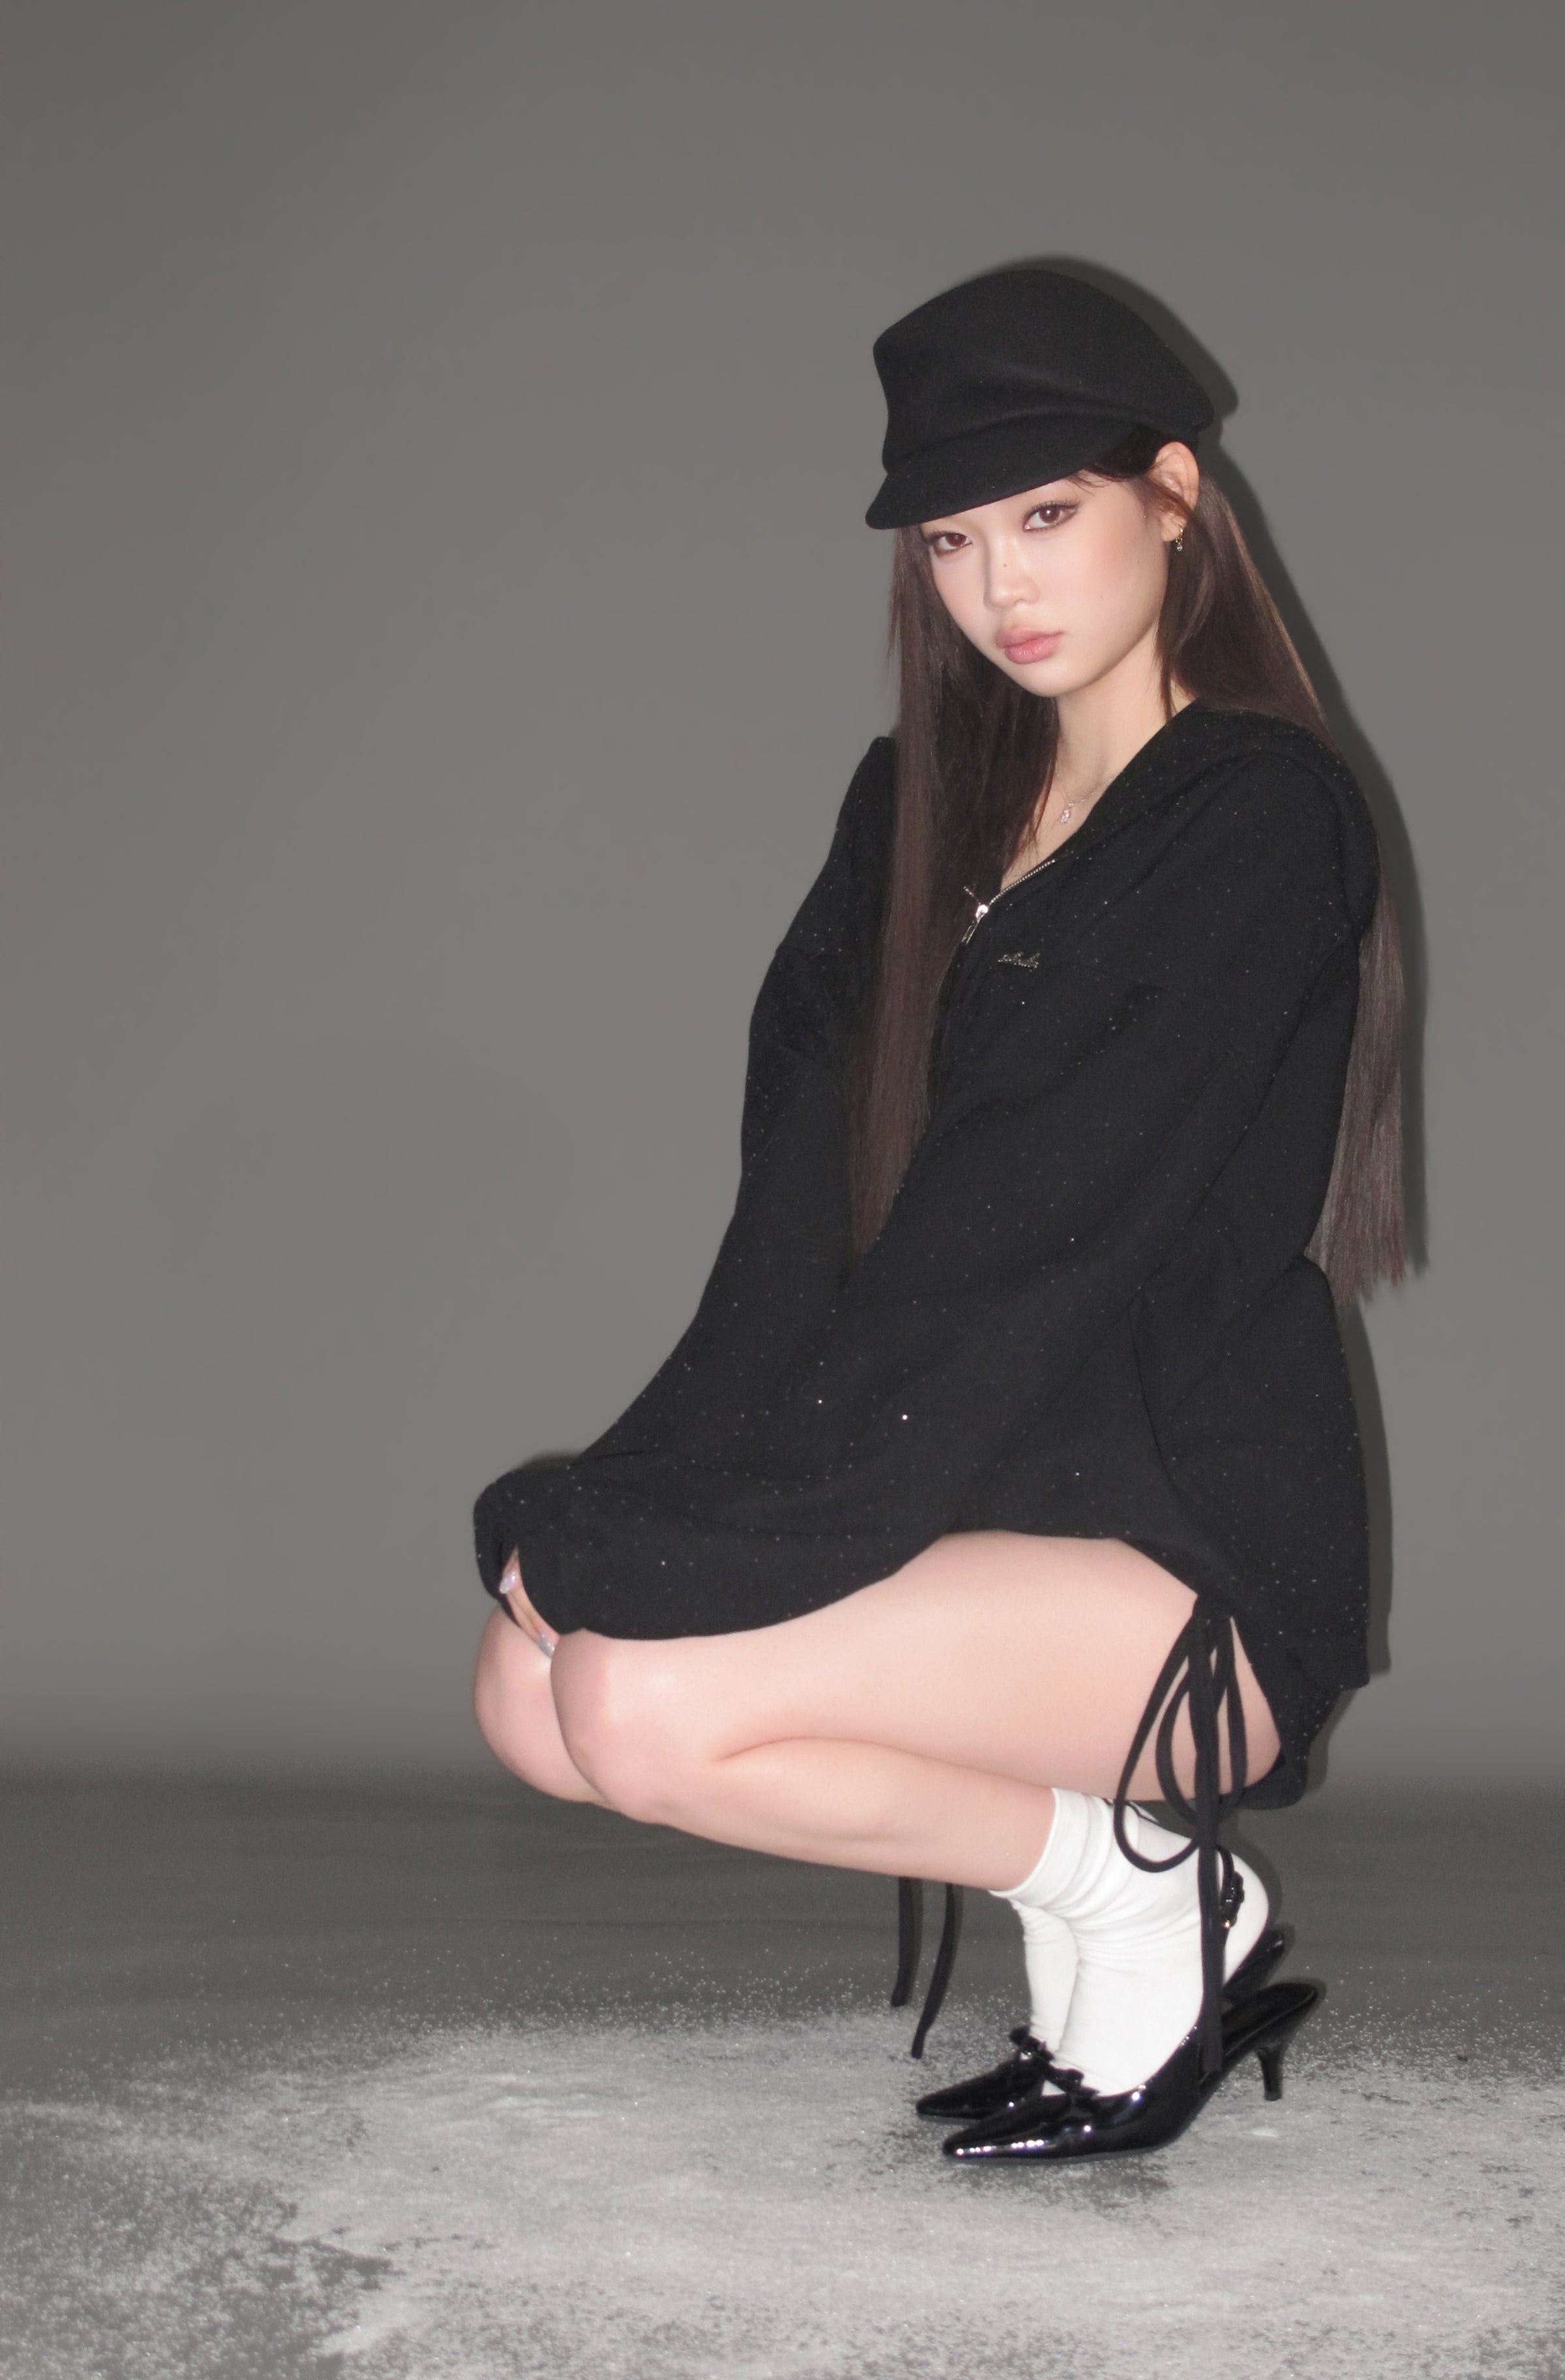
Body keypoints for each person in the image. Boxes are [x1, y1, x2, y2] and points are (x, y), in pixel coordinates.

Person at [469, 264, 1405, 2163]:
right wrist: (643, 1495)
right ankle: (1113, 1897)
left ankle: (1144, 1895)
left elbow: (1018, 1253)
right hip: (963, 1472)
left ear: (1174, 492)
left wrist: (704, 1552)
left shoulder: (1258, 816)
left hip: (1178, 1533)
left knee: (637, 1702)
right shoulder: (914, 806)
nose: (1002, 588)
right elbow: (794, 1233)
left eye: (1047, 514)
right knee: (531, 1694)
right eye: (955, 542)